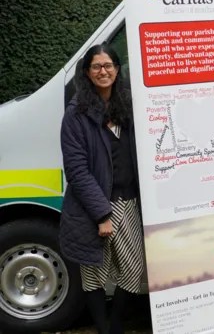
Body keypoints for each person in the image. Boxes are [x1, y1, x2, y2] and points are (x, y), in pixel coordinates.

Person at [60, 44, 145, 334]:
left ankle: (115, 325)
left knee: (133, 271)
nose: (103, 71)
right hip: (93, 208)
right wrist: (101, 214)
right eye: (96, 66)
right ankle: (104, 329)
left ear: (117, 70)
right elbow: (77, 170)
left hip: (128, 201)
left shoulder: (127, 107)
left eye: (108, 65)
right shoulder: (76, 114)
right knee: (94, 276)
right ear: (86, 72)